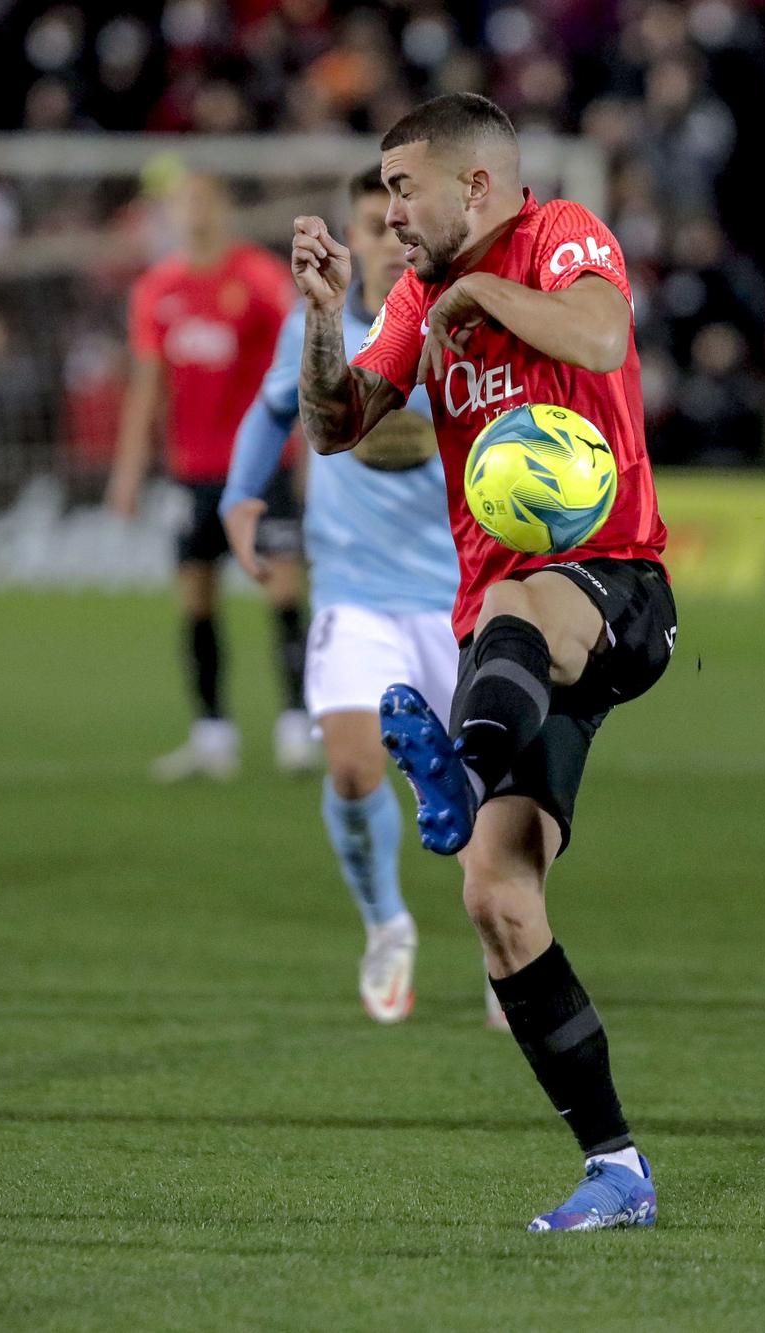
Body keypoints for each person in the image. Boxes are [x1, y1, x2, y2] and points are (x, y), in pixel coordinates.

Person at [293, 93, 675, 1233]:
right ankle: (616, 1167)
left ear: (473, 185)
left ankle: (456, 767)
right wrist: (323, 320)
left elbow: (601, 335)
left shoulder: (559, 234)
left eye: (402, 188)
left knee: (515, 598)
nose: (388, 213)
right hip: (504, 636)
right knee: (498, 897)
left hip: (612, 583)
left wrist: (473, 291)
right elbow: (336, 424)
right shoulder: (409, 297)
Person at [219, 166, 484, 1027]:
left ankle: (506, 947)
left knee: (492, 790)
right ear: (354, 236)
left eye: (399, 227)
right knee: (349, 764)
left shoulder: (462, 329)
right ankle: (385, 926)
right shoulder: (326, 334)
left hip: (459, 597)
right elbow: (269, 412)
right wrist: (240, 497)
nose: (386, 240)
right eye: (372, 226)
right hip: (356, 593)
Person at [108, 170, 314, 781]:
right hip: (190, 470)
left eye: (202, 200)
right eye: (181, 203)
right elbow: (146, 384)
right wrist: (127, 471)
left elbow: (302, 366)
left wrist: (308, 453)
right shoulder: (156, 290)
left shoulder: (261, 280)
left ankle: (296, 726)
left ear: (223, 206)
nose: (192, 213)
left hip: (260, 468)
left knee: (283, 592)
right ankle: (212, 733)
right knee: (196, 599)